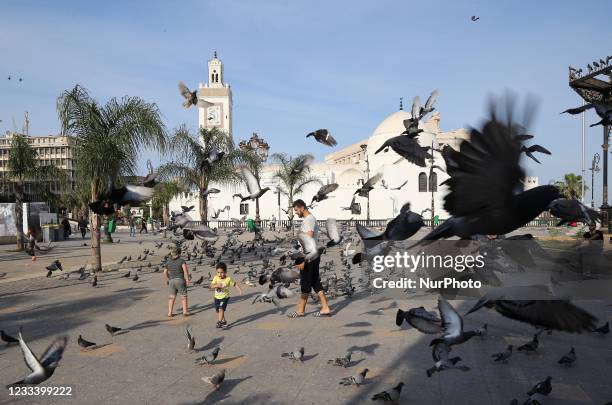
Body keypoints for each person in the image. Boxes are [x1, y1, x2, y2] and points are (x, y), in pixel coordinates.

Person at [288, 199, 331, 318]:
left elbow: (309, 237)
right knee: (315, 282)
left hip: (309, 256)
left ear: (302, 207)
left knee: (305, 283)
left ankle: (301, 310)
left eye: (296, 210)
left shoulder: (309, 219)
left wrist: (303, 259)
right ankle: (325, 308)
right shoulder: (310, 219)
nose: (296, 213)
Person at [210, 262, 242, 328]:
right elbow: (211, 286)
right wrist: (216, 285)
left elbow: (235, 284)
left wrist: (240, 290)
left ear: (225, 272)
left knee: (221, 309)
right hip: (216, 297)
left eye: (221, 272)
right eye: (218, 272)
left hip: (225, 297)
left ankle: (219, 322)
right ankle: (224, 322)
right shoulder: (216, 278)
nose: (219, 274)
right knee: (219, 311)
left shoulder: (228, 279)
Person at [162, 248, 192, 317]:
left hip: (172, 281)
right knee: (183, 296)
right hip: (180, 280)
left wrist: (168, 279)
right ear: (179, 254)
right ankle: (185, 312)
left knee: (171, 297)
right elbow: (185, 270)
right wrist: (187, 280)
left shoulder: (168, 261)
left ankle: (170, 312)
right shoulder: (181, 261)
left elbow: (165, 272)